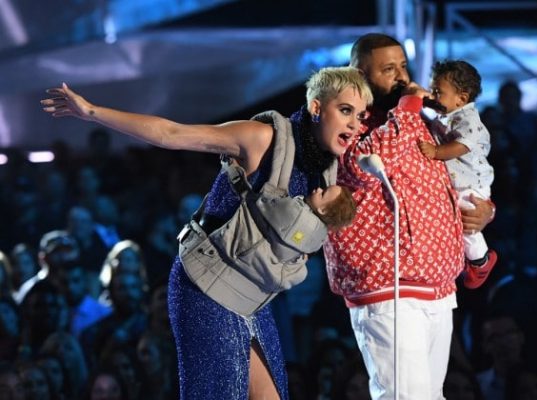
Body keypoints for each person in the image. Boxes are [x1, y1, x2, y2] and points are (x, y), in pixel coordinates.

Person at [41, 66, 373, 399]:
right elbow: (171, 134)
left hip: (252, 298)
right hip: (206, 289)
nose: (354, 124)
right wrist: (92, 111)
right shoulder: (263, 138)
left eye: (360, 116)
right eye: (345, 111)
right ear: (316, 107)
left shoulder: (326, 171)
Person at [324, 33, 494, 400]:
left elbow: (462, 171)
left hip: (438, 287)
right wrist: (407, 108)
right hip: (389, 288)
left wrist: (483, 210)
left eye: (403, 66)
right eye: (388, 69)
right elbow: (367, 164)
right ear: (360, 74)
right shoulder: (350, 123)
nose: (402, 77)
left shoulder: (417, 119)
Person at [418, 59, 497, 287]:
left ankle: (480, 261)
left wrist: (436, 152)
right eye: (432, 90)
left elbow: (462, 145)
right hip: (461, 182)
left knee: (467, 224)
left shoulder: (468, 119)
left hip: (471, 186)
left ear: (461, 98)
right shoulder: (450, 113)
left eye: (438, 92)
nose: (433, 97)